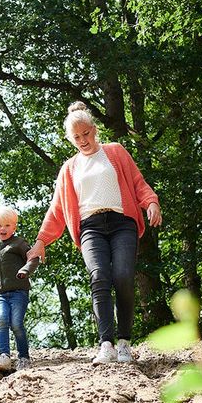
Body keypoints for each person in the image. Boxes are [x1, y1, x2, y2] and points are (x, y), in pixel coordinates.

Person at [26, 102, 162, 364]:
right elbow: (57, 210)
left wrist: (151, 202)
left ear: (94, 130)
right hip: (90, 227)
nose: (83, 140)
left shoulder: (116, 152)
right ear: (70, 139)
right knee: (99, 276)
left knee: (122, 276)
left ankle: (124, 342)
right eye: (76, 137)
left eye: (86, 134)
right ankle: (106, 344)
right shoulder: (69, 169)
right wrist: (41, 241)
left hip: (123, 222)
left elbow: (138, 183)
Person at [0, 205, 40, 373]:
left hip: (19, 292)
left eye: (7, 225)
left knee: (16, 324)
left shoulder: (19, 243)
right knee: (1, 321)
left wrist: (25, 270)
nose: (3, 229)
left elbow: (33, 258)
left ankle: (23, 357)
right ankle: (4, 356)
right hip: (1, 294)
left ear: (14, 227)